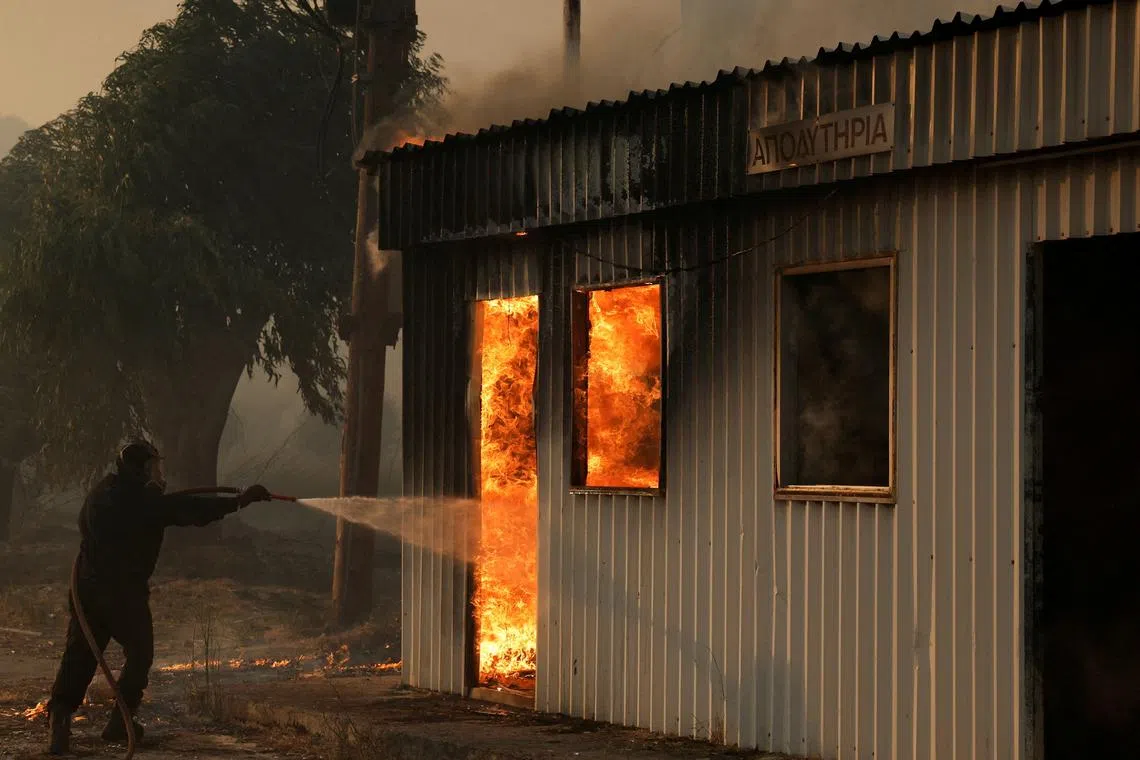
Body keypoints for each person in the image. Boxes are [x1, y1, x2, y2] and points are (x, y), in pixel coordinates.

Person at [46, 439, 273, 755]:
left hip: (87, 590)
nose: (160, 474)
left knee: (79, 657)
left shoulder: (102, 493)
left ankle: (59, 725)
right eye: (155, 467)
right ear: (140, 470)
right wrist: (241, 501)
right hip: (124, 595)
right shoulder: (148, 503)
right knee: (140, 654)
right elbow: (195, 511)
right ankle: (119, 723)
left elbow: (85, 524)